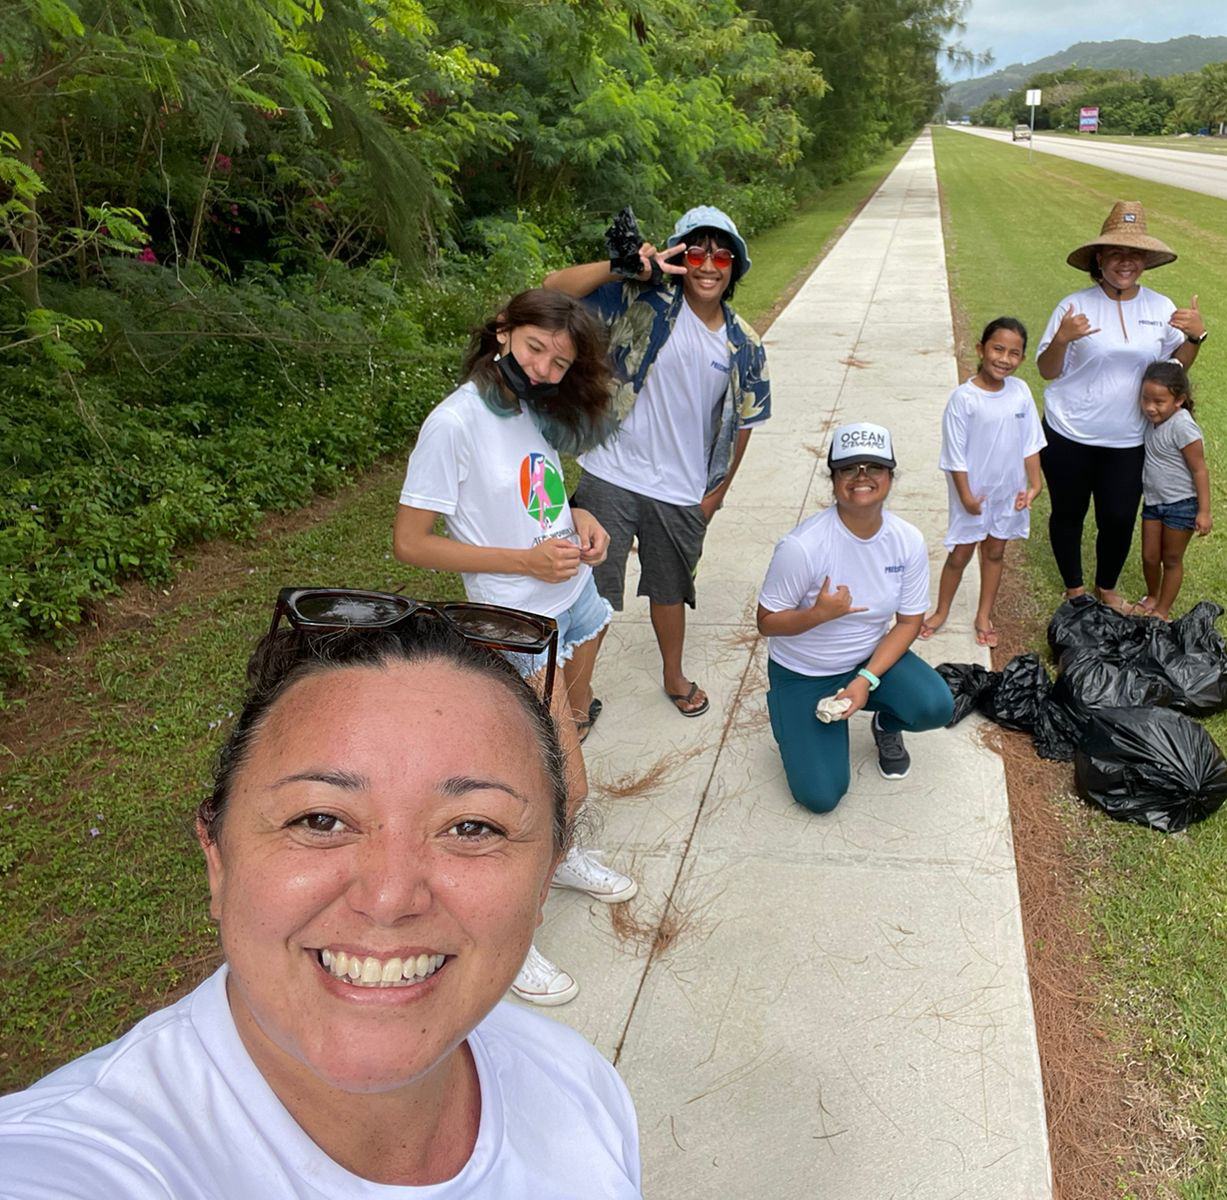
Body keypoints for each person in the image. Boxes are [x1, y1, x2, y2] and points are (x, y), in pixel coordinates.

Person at [0, 593, 643, 1197]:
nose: (390, 898)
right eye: (320, 820)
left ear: (543, 879)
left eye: (472, 827)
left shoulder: (581, 1089)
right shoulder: (75, 1158)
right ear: (217, 859)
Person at [394, 288, 637, 1006]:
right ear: (502, 330)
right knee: (557, 783)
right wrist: (524, 564)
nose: (545, 367)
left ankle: (559, 860)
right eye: (535, 348)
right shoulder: (455, 423)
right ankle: (508, 940)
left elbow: (540, 495)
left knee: (570, 742)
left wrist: (582, 516)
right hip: (516, 621)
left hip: (576, 602)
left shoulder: (526, 403)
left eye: (561, 362)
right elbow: (411, 544)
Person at [544, 205, 771, 719]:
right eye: (696, 252)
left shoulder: (745, 346)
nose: (707, 266)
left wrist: (716, 493)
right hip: (611, 473)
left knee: (670, 591)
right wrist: (622, 266)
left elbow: (744, 425)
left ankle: (673, 675)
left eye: (720, 256)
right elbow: (554, 289)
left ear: (734, 266)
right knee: (593, 596)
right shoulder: (636, 301)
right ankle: (578, 705)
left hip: (682, 488)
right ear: (678, 258)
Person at [756, 423, 955, 813]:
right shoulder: (803, 546)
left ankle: (885, 724)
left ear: (889, 477)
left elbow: (909, 622)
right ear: (833, 479)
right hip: (804, 672)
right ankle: (801, 724)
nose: (862, 477)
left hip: (867, 660)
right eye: (849, 469)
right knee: (821, 797)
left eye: (874, 467)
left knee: (935, 706)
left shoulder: (907, 540)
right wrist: (817, 615)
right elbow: (767, 622)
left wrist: (865, 680)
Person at [1035, 200, 1207, 614]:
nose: (1125, 262)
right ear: (1100, 258)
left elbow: (1173, 367)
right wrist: (1062, 338)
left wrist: (1196, 338)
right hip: (1069, 430)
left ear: (1145, 260)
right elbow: (1046, 370)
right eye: (1115, 252)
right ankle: (1074, 589)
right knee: (1069, 512)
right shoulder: (1073, 305)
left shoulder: (1160, 307)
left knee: (1117, 517)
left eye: (1134, 254)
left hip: (1129, 437)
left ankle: (1106, 586)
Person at [920, 317, 1045, 646]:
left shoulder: (1020, 391)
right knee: (960, 555)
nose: (1004, 359)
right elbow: (954, 455)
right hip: (973, 495)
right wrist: (965, 496)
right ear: (981, 349)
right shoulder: (964, 399)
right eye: (998, 349)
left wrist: (1035, 484)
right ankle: (941, 611)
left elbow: (1031, 442)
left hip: (1009, 492)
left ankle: (983, 615)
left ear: (1022, 357)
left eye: (1014, 353)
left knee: (994, 552)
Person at [1135, 359, 1211, 620]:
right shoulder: (1151, 420)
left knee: (1171, 559)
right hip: (1154, 503)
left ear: (1179, 400)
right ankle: (1152, 596)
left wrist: (1204, 511)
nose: (1150, 407)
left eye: (1158, 402)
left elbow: (1199, 469)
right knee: (1148, 556)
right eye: (1146, 399)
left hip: (1182, 504)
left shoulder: (1182, 425)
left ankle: (1163, 610)